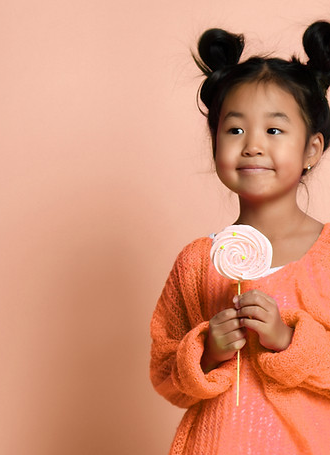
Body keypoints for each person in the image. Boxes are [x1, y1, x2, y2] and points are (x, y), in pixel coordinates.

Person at [150, 21, 330, 455]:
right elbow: (164, 375)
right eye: (234, 130)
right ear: (215, 144)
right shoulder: (196, 263)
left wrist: (288, 341)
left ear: (312, 149)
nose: (251, 146)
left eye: (274, 130)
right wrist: (207, 351)